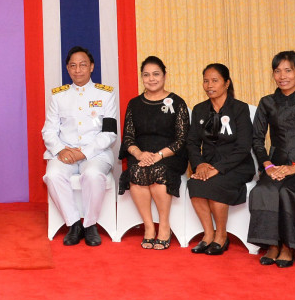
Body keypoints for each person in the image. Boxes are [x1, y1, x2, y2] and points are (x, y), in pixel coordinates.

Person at [248, 50, 295, 268]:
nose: (283, 76)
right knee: (263, 190)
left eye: (288, 70)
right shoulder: (267, 102)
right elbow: (257, 140)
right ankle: (272, 244)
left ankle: (289, 246)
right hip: (275, 163)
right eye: (277, 71)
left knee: (288, 191)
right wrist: (268, 165)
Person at [42, 46, 118, 247]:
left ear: (91, 67)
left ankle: (90, 224)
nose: (78, 70)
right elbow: (48, 131)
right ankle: (74, 224)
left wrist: (83, 153)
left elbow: (109, 133)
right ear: (67, 68)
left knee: (93, 174)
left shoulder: (106, 94)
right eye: (73, 65)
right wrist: (61, 150)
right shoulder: (58, 96)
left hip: (95, 153)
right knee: (52, 175)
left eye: (83, 65)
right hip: (65, 153)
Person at [185, 63, 255, 255]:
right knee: (194, 183)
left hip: (236, 165)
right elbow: (191, 142)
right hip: (207, 165)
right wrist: (199, 164)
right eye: (206, 81)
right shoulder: (199, 110)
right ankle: (208, 234)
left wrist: (217, 169)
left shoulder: (240, 109)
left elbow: (243, 147)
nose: (209, 85)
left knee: (216, 184)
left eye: (215, 81)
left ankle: (221, 236)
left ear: (226, 83)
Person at [119, 56, 188, 250]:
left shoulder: (177, 102)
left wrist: (158, 155)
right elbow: (128, 137)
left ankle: (164, 226)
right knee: (137, 171)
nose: (151, 79)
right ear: (141, 77)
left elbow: (182, 139)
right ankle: (149, 226)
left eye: (156, 74)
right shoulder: (134, 104)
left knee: (158, 171)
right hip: (141, 154)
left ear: (164, 76)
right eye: (146, 75)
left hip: (169, 155)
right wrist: (139, 154)